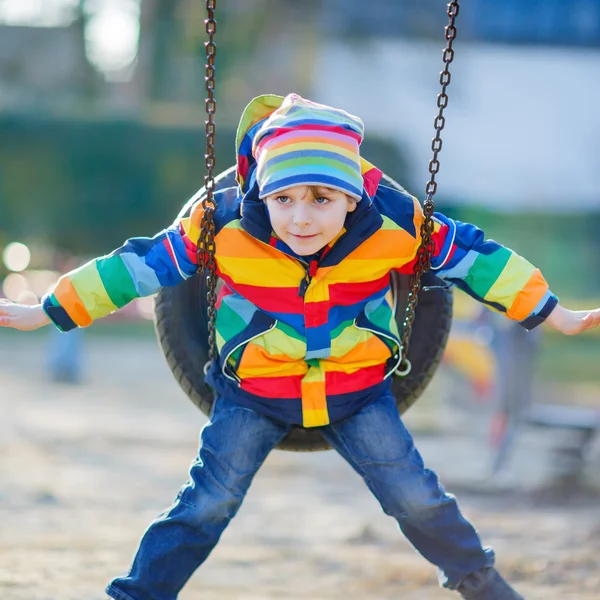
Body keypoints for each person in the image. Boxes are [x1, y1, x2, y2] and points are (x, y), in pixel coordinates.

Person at [1, 93, 599, 600]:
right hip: (254, 392)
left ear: (352, 197)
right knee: (206, 503)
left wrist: (555, 313)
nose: (301, 219)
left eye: (321, 199)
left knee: (418, 499)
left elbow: (477, 259)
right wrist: (47, 310)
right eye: (284, 199)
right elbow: (137, 266)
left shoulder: (394, 229)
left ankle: (485, 585)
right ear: (262, 192)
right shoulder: (224, 228)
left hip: (357, 390)